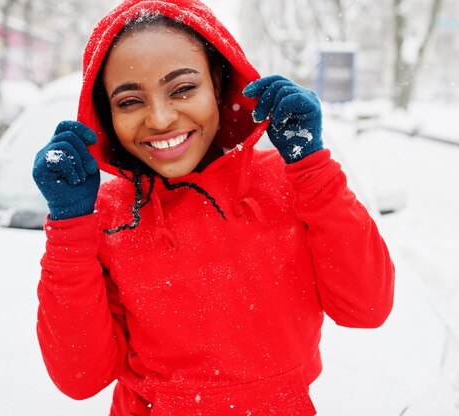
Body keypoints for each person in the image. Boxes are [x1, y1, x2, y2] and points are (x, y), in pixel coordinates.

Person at [32, 0, 395, 414]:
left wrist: (312, 167)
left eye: (183, 88)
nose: (162, 118)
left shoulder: (289, 183)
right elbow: (81, 377)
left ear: (219, 84)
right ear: (106, 114)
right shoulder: (104, 214)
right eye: (130, 101)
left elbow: (366, 307)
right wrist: (68, 228)